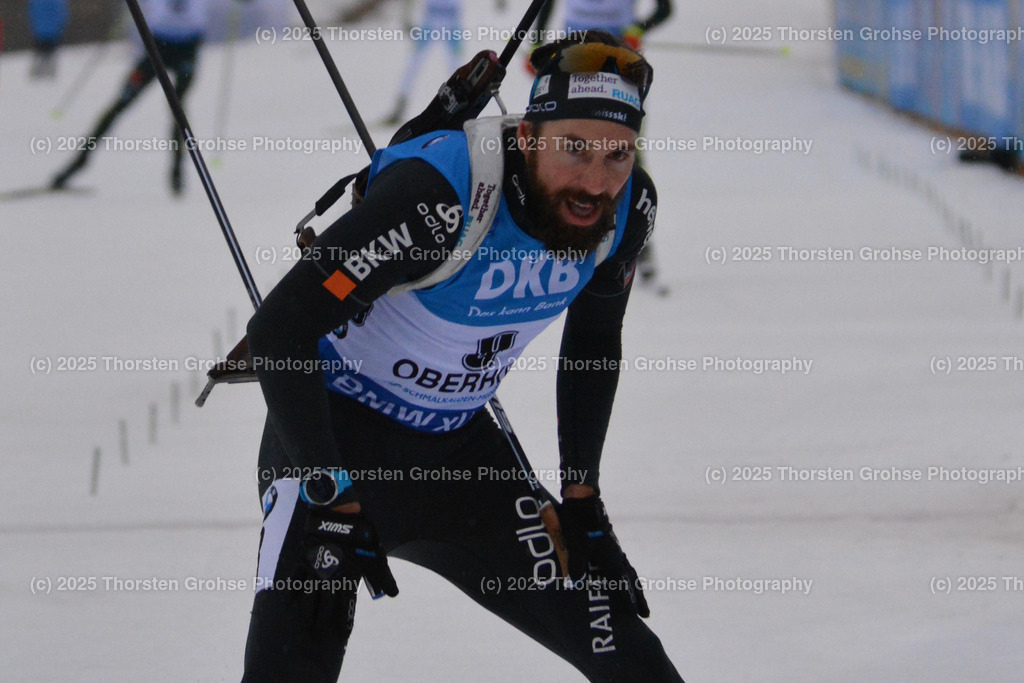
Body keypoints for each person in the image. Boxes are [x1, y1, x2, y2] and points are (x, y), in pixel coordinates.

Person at [240, 31, 682, 682]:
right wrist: (330, 494)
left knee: (628, 653)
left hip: (462, 459)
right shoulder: (440, 198)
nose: (595, 180)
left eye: (617, 155)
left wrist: (582, 498)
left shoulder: (627, 212)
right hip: (336, 446)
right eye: (576, 149)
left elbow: (592, 340)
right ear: (529, 137)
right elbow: (279, 330)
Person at [533, 0, 673, 295]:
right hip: (569, 71)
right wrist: (535, 43)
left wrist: (637, 28)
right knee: (555, 153)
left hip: (620, 77)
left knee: (622, 160)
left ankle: (636, 249)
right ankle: (545, 247)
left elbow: (664, 9)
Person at [50, 0, 234, 194]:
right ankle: (77, 164)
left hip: (187, 50)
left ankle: (177, 173)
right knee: (121, 104)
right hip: (157, 47)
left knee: (177, 110)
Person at [383, 0, 467, 125]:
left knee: (457, 66)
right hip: (432, 18)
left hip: (450, 19)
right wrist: (407, 15)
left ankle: (465, 107)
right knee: (414, 64)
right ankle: (400, 106)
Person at [28, 0, 68, 79]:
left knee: (40, 52)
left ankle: (37, 73)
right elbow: (62, 14)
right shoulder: (58, 2)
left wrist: (34, 26)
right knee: (50, 53)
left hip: (39, 32)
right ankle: (49, 73)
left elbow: (32, 13)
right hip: (53, 32)